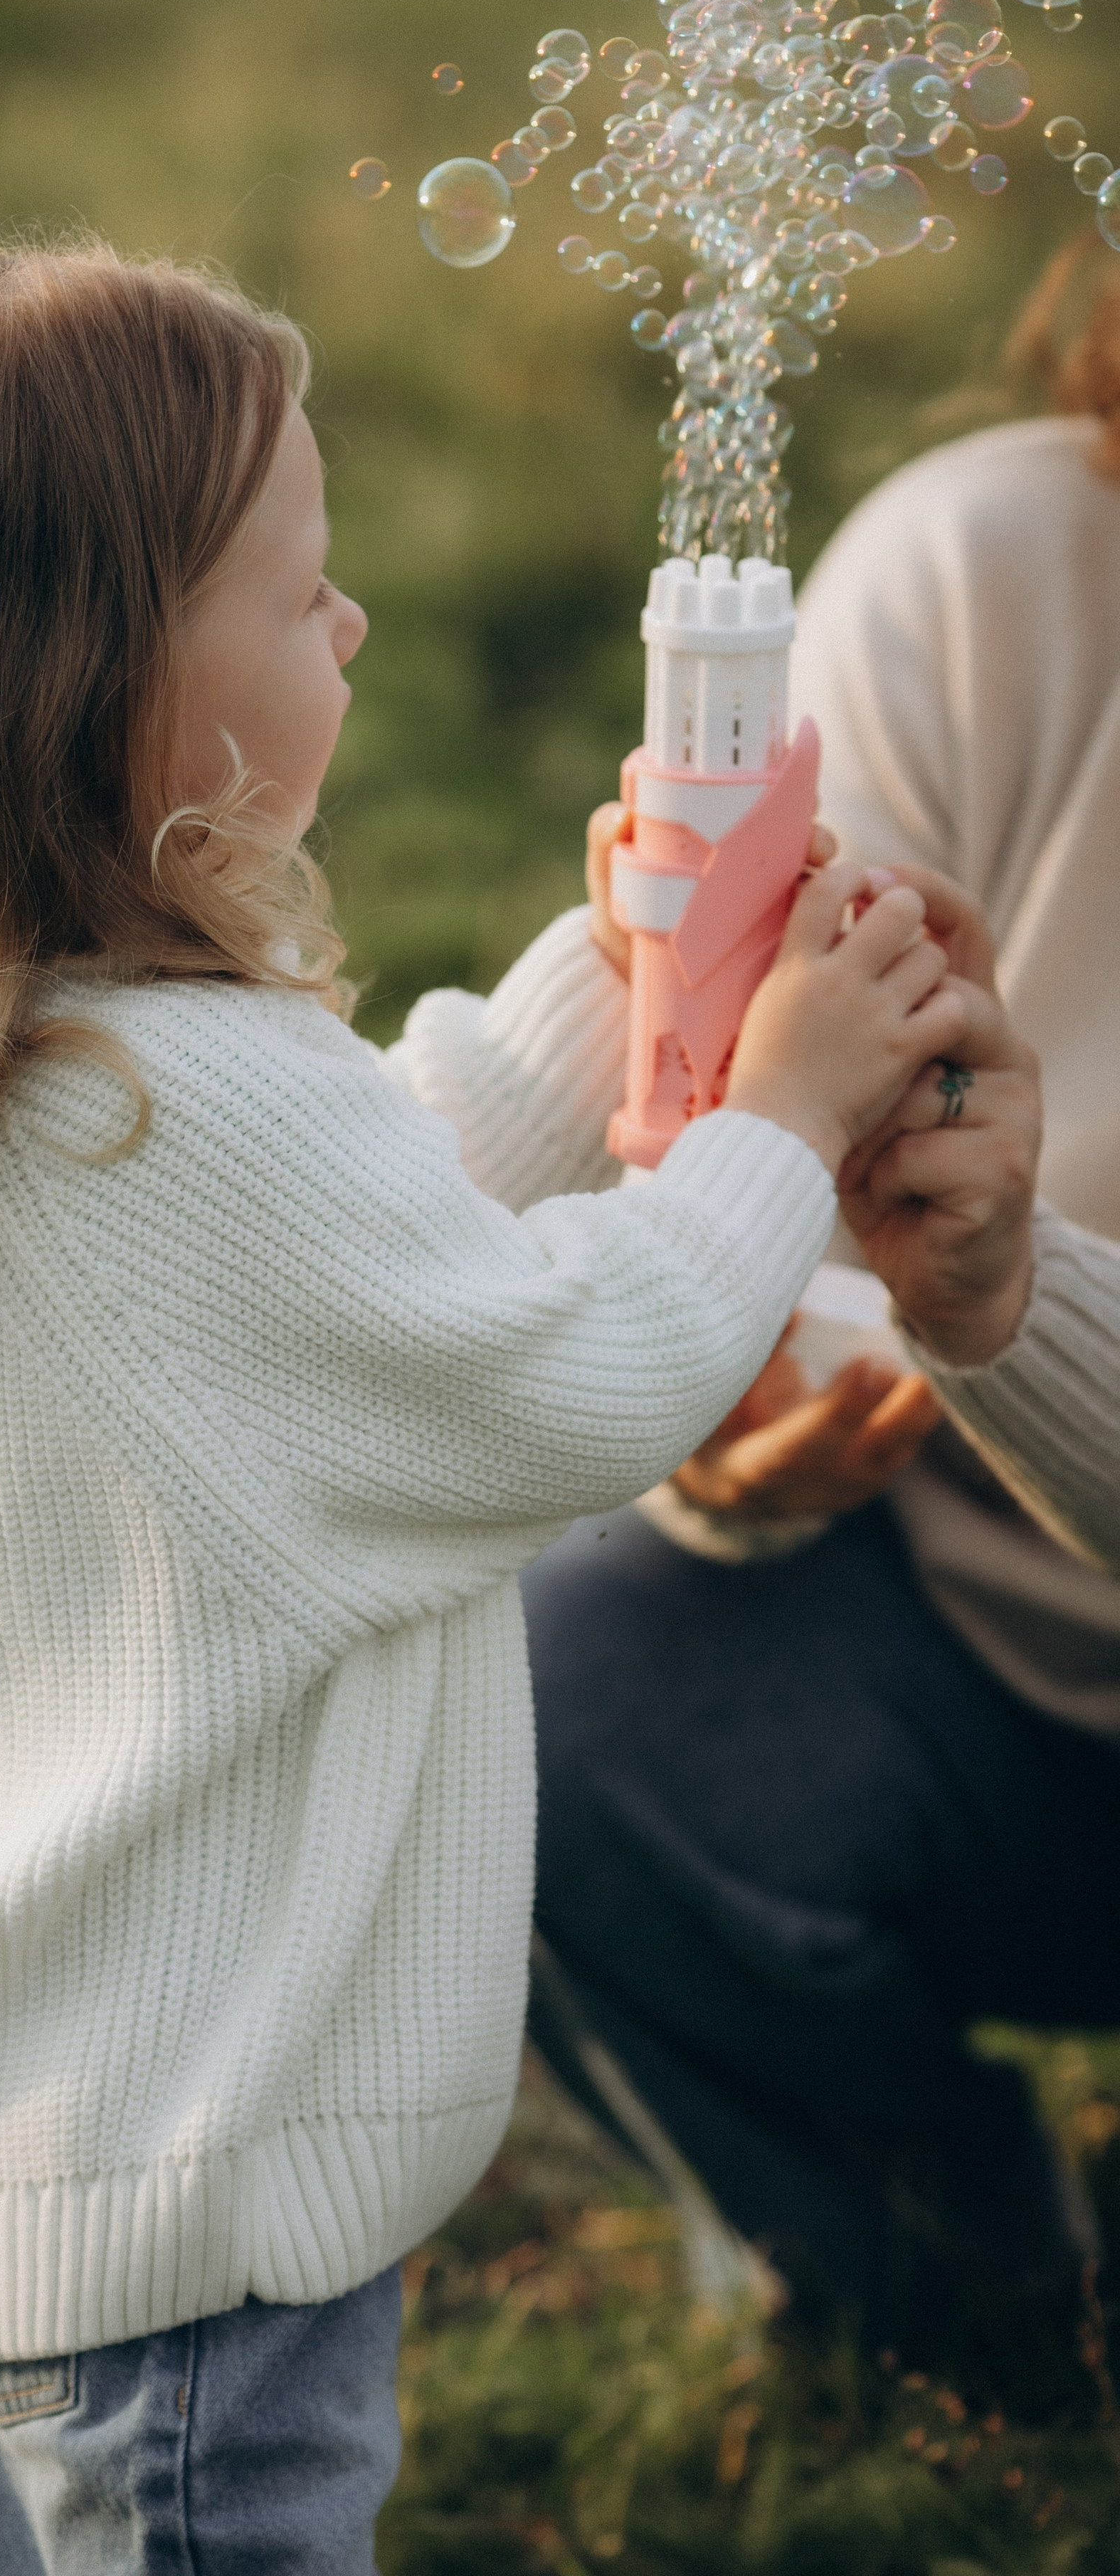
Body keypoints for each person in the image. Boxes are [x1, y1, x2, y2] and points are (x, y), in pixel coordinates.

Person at [0, 242, 972, 2572]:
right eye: (299, 594)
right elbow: (565, 1374)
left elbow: (353, 1254)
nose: (352, 635)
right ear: (102, 684)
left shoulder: (50, 1062)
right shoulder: (187, 1109)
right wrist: (781, 1126)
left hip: (52, 2150)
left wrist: (604, 980)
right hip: (207, 2225)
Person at [527, 243, 1120, 2380]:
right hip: (981, 1665)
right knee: (531, 1671)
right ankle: (937, 2273)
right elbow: (747, 1213)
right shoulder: (992, 578)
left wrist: (1010, 1295)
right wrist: (724, 1436)